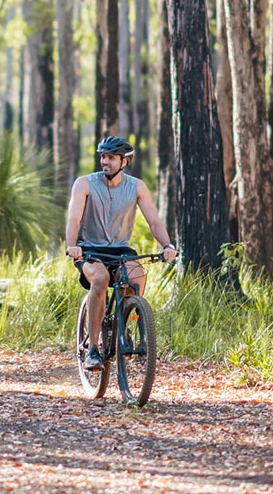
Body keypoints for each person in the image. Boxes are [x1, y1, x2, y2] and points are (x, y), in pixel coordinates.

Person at [65, 136, 178, 371]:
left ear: (124, 162)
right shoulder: (84, 183)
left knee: (137, 277)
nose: (105, 162)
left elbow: (154, 222)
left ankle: (123, 323)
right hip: (89, 249)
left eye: (111, 158)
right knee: (101, 278)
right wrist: (72, 245)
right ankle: (93, 349)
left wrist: (167, 245)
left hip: (120, 249)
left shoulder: (136, 187)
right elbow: (74, 218)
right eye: (103, 157)